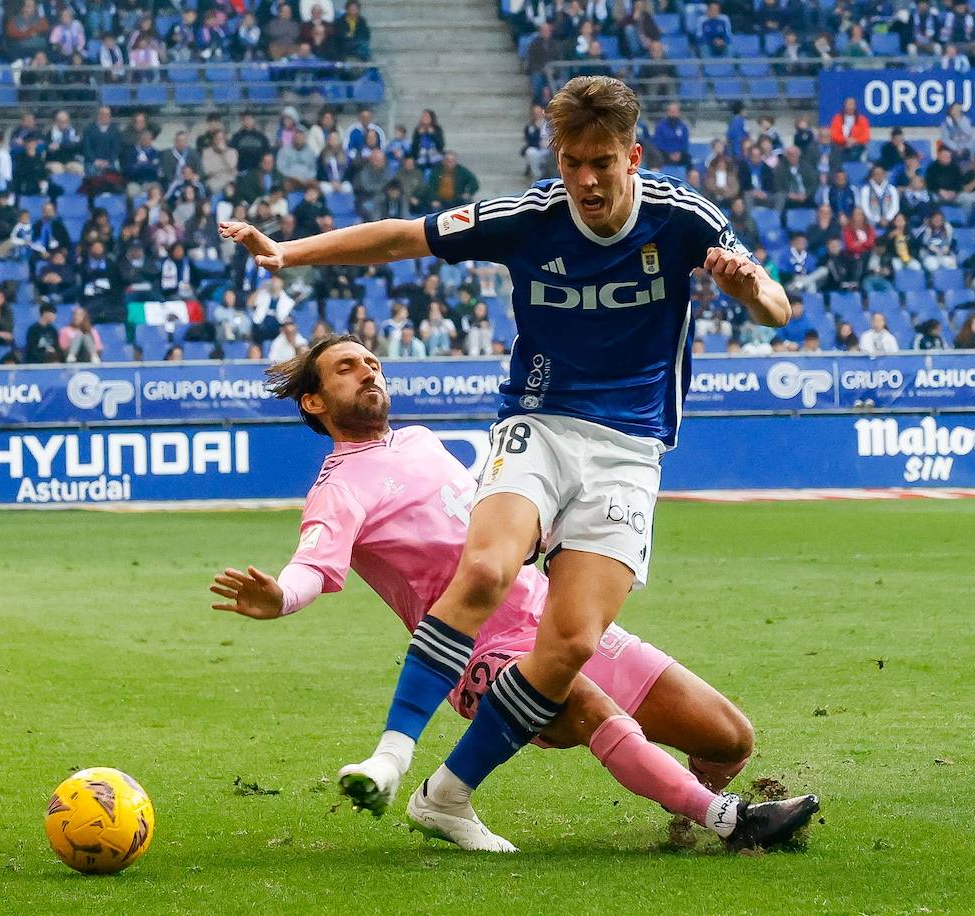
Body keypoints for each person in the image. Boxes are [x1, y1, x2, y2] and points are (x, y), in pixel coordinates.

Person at [218, 75, 799, 851]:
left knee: (575, 652)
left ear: (632, 155)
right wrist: (287, 252)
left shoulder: (684, 218)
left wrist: (750, 287)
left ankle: (450, 793)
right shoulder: (529, 217)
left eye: (600, 163)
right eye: (570, 163)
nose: (585, 181)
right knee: (487, 568)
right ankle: (392, 757)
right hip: (540, 422)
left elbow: (777, 309)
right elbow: (401, 235)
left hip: (629, 451)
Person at [211, 336, 815, 853]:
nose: (367, 371)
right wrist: (281, 597)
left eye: (371, 362)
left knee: (729, 737)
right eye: (346, 368)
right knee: (583, 702)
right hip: (475, 649)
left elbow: (490, 517)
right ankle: (731, 821)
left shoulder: (419, 441)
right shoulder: (338, 487)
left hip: (552, 611)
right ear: (314, 403)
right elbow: (310, 565)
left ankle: (462, 796)